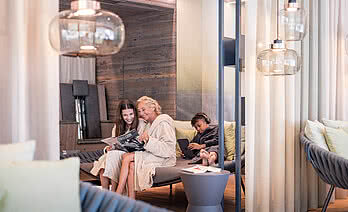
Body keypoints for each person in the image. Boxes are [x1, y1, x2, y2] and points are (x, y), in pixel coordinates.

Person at [115, 96, 176, 199]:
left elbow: (169, 149)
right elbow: (145, 144)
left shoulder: (163, 122)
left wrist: (149, 140)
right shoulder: (147, 125)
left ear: (153, 107)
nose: (141, 113)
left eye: (143, 110)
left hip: (165, 158)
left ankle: (118, 193)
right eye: (139, 111)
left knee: (127, 157)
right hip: (154, 154)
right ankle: (131, 200)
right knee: (131, 166)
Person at [90, 99, 139, 191]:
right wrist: (109, 148)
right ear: (121, 115)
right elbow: (113, 141)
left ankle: (113, 192)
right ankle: (106, 194)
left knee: (111, 158)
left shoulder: (141, 125)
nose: (128, 117)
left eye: (131, 114)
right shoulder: (118, 127)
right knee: (103, 166)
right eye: (125, 115)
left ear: (135, 113)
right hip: (118, 153)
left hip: (131, 155)